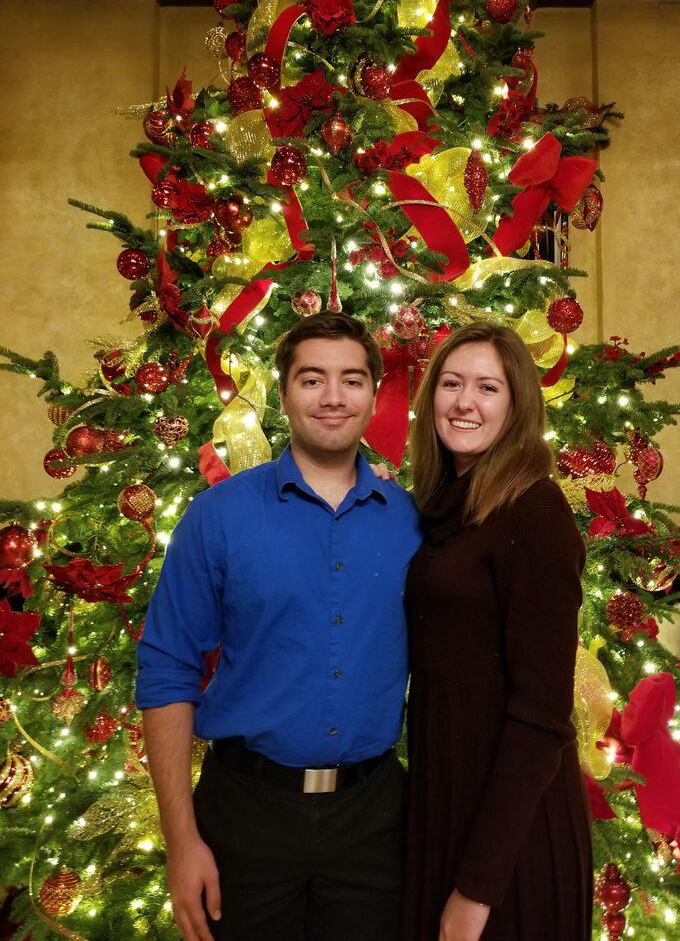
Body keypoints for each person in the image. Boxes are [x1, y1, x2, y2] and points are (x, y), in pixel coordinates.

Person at [135, 311, 421, 941]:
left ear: (375, 394)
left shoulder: (411, 522)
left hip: (374, 817)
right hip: (244, 814)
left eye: (351, 380)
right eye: (312, 379)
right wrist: (181, 841)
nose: (332, 397)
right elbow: (166, 671)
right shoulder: (217, 517)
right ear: (285, 393)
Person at [401, 322, 591, 941]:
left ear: (516, 407)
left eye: (488, 387)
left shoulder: (534, 513)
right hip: (447, 802)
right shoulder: (445, 504)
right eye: (451, 384)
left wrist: (479, 886)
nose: (464, 402)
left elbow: (542, 717)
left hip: (513, 837)